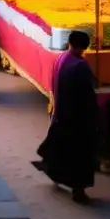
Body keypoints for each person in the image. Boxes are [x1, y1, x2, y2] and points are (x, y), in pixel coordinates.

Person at [33, 30, 97, 204]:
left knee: (62, 148)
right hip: (77, 117)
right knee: (79, 156)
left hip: (62, 112)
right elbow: (87, 93)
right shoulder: (80, 66)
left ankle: (53, 170)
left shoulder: (61, 58)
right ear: (83, 47)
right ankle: (78, 191)